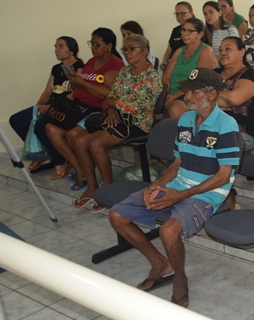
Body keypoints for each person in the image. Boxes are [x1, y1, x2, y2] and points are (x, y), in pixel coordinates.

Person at [108, 68, 242, 309]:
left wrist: (180, 196)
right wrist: (156, 185)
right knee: (117, 215)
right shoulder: (186, 119)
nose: (187, 96)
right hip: (178, 184)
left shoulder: (226, 125)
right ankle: (160, 264)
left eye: (194, 92)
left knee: (168, 232)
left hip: (209, 192)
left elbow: (223, 176)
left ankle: (180, 278)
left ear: (211, 94)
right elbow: (178, 162)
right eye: (186, 91)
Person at [70, 34, 163, 212]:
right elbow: (111, 96)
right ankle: (92, 187)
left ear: (144, 51)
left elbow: (136, 108)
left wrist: (113, 104)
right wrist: (112, 109)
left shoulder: (151, 78)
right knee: (81, 141)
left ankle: (108, 192)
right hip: (117, 117)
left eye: (132, 49)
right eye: (124, 49)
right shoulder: (125, 72)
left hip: (137, 123)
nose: (127, 53)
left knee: (96, 144)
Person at [44, 28, 124, 191]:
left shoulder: (115, 64)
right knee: (50, 128)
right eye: (91, 44)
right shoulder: (91, 61)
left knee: (74, 135)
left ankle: (90, 179)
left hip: (96, 109)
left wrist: (82, 83)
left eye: (97, 44)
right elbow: (80, 86)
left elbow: (109, 93)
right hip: (78, 106)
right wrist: (74, 80)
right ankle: (78, 167)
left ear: (109, 45)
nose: (93, 47)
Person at [9, 36, 84, 178]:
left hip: (67, 106)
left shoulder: (79, 67)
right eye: (55, 47)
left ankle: (60, 161)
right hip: (51, 103)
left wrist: (48, 108)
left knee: (40, 126)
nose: (57, 50)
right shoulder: (56, 68)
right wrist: (39, 106)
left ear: (72, 49)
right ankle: (42, 154)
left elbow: (75, 94)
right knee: (16, 120)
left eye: (61, 46)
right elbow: (47, 92)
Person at [215, 37, 254, 152]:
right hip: (211, 124)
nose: (223, 53)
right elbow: (193, 96)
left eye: (228, 49)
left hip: (237, 130)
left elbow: (233, 99)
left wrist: (208, 100)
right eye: (220, 50)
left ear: (242, 52)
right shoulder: (213, 73)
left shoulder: (249, 75)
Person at [163, 18, 218, 118]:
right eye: (183, 30)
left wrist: (175, 96)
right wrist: (165, 94)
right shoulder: (178, 51)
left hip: (191, 94)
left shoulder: (206, 50)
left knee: (175, 109)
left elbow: (197, 81)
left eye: (189, 31)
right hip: (171, 94)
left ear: (200, 34)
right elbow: (166, 77)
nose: (184, 34)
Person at [161, 1, 194, 70]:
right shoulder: (175, 30)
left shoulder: (197, 30)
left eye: (183, 13)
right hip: (173, 65)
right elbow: (169, 50)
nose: (179, 16)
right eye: (177, 14)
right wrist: (164, 62)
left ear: (191, 13)